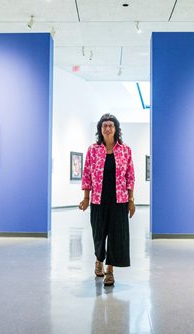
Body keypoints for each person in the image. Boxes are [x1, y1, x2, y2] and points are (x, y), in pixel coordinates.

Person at [79, 113, 135, 287]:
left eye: (111, 125)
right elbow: (87, 174)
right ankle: (98, 260)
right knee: (99, 233)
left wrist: (131, 199)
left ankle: (110, 270)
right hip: (98, 200)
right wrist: (86, 197)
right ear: (100, 129)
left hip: (119, 200)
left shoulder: (125, 150)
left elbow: (130, 176)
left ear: (116, 129)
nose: (108, 128)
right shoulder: (93, 150)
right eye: (105, 126)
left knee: (116, 236)